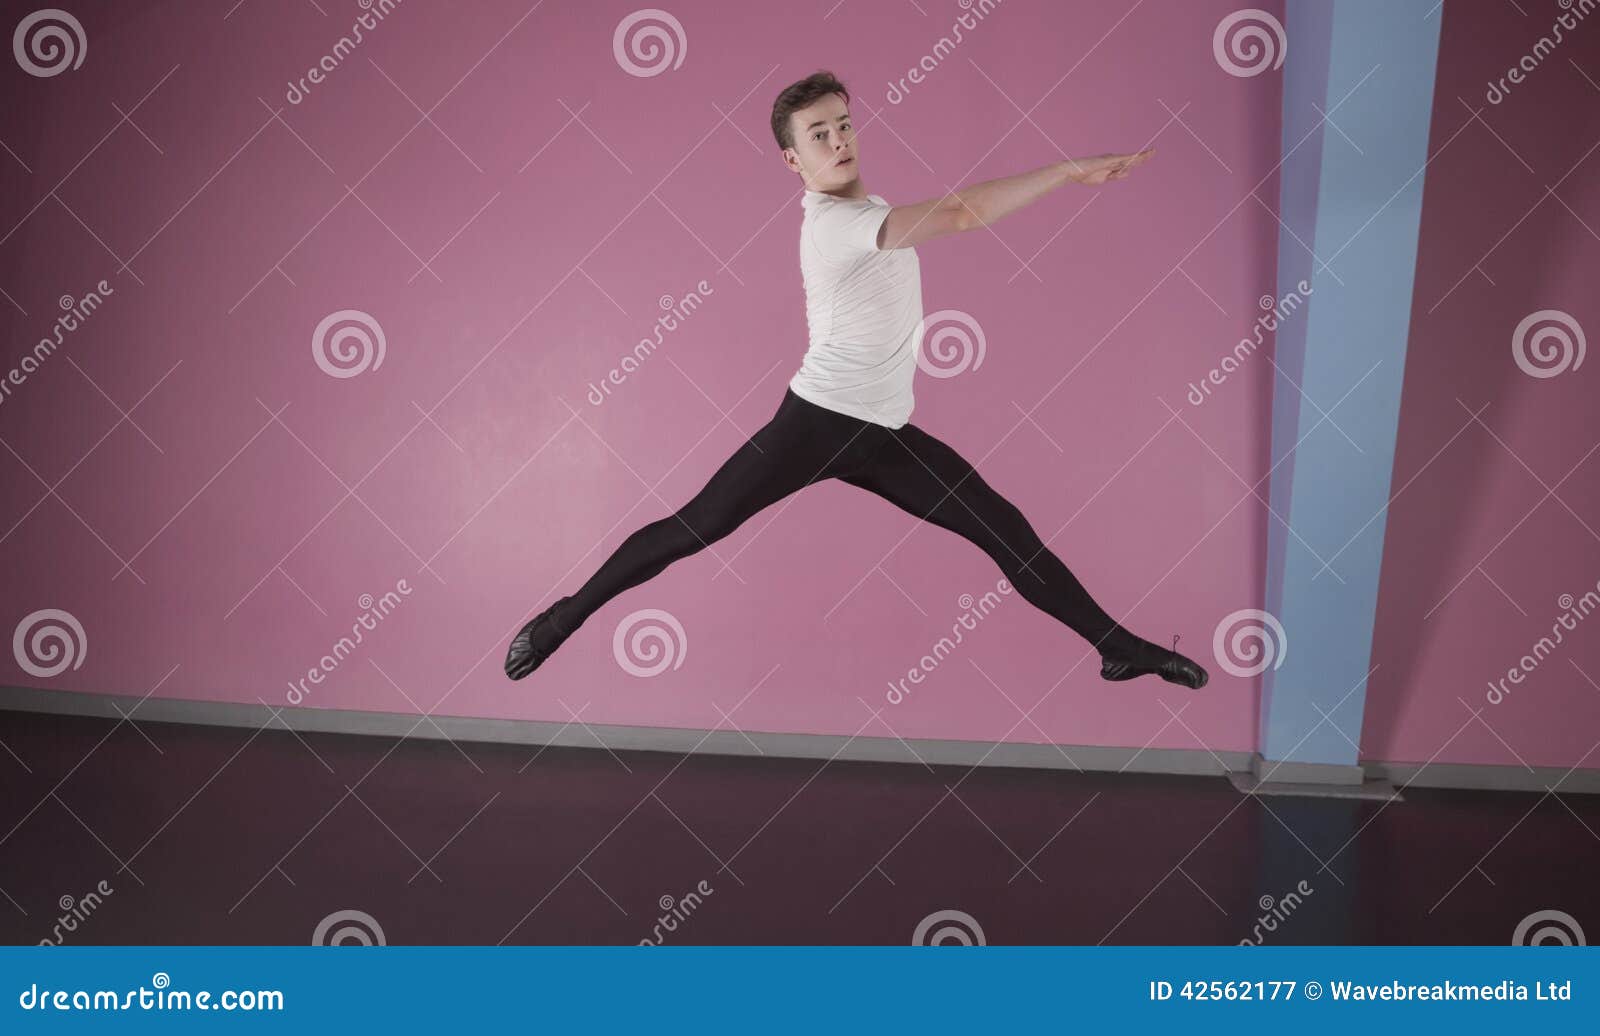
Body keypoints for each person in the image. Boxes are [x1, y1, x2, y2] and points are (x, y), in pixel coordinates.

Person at [506, 70, 1207, 690]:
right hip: (816, 424)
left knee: (1004, 529)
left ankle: (1117, 649)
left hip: (882, 434)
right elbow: (962, 213)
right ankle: (562, 620)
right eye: (818, 133)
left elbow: (943, 218)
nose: (839, 140)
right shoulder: (834, 225)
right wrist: (1067, 172)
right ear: (793, 158)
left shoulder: (872, 215)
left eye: (843, 124)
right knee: (695, 528)